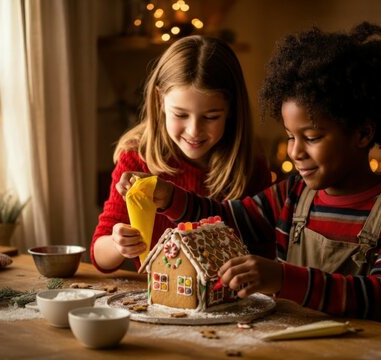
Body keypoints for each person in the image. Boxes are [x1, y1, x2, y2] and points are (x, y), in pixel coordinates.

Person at [117, 23, 381, 328]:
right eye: (291, 136)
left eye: (312, 137)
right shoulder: (292, 193)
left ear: (362, 134)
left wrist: (283, 278)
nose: (295, 152)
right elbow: (228, 218)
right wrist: (171, 197)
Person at [92, 35, 271, 273]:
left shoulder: (250, 166)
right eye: (180, 114)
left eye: (211, 117)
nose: (194, 131)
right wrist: (118, 244)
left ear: (231, 110)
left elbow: (265, 253)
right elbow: (99, 255)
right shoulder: (137, 156)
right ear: (160, 101)